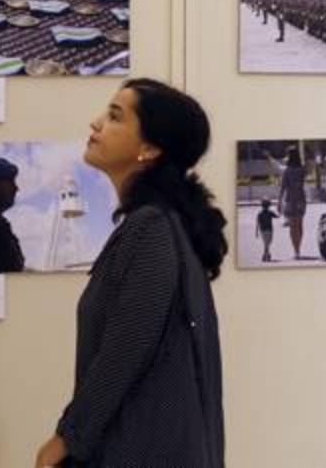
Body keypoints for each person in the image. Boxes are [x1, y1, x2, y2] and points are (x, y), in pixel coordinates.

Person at [36, 78, 226, 467]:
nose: (96, 123)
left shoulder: (152, 227)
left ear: (150, 148)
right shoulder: (157, 225)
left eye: (114, 116)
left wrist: (64, 440)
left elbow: (124, 352)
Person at [274, 147, 307, 260]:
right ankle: (299, 247)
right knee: (300, 224)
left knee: (292, 226)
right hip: (301, 198)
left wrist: (279, 202)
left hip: (290, 199)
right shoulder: (302, 169)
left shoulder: (287, 170)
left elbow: (283, 187)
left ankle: (296, 250)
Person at [256, 198, 279, 263]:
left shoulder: (261, 213)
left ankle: (267, 254)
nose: (266, 207)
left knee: (267, 242)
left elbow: (257, 223)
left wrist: (257, 232)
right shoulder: (268, 213)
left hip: (263, 230)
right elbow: (277, 216)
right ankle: (266, 255)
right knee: (267, 242)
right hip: (268, 230)